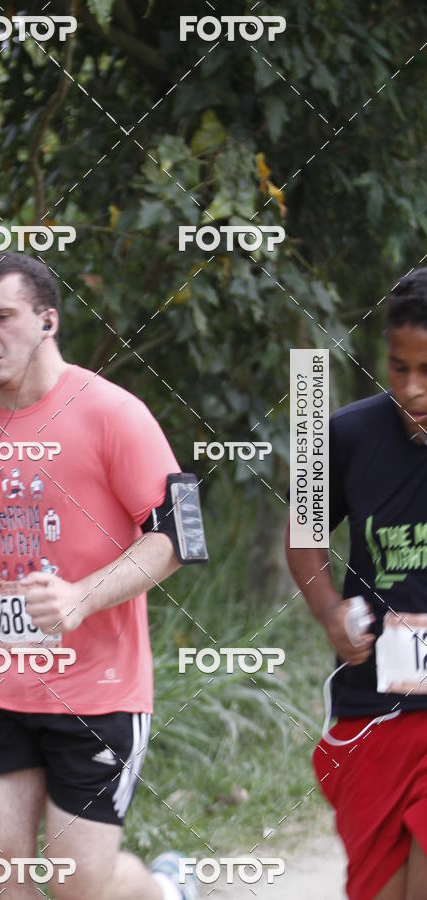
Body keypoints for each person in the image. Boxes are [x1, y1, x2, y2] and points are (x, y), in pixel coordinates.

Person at [0, 253, 199, 900]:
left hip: (100, 693)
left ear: (48, 320)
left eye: (3, 317)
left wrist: (79, 597)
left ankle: (166, 890)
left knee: (80, 887)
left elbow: (181, 537)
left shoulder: (113, 412)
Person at [286, 268, 427, 900]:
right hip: (374, 711)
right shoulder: (346, 434)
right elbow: (302, 535)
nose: (413, 390)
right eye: (399, 369)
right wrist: (328, 612)